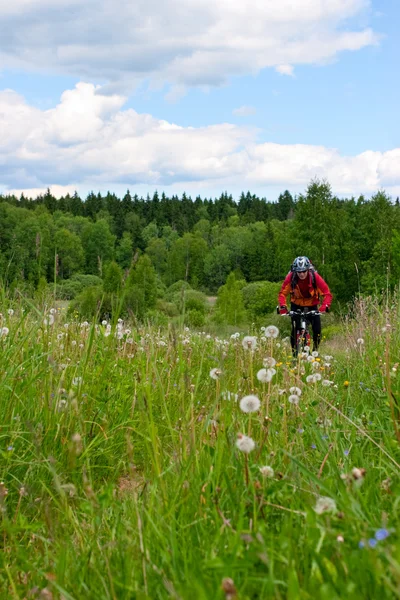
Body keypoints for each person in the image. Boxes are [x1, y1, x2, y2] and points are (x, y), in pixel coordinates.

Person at [278, 256, 332, 353]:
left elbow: (327, 293)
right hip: (296, 305)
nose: (301, 274)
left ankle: (315, 351)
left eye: (304, 271)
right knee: (294, 330)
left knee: (317, 331)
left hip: (312, 305)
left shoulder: (315, 277)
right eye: (299, 272)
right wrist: (283, 306)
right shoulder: (291, 277)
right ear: (295, 271)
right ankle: (294, 354)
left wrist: (324, 306)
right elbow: (282, 293)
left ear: (308, 269)